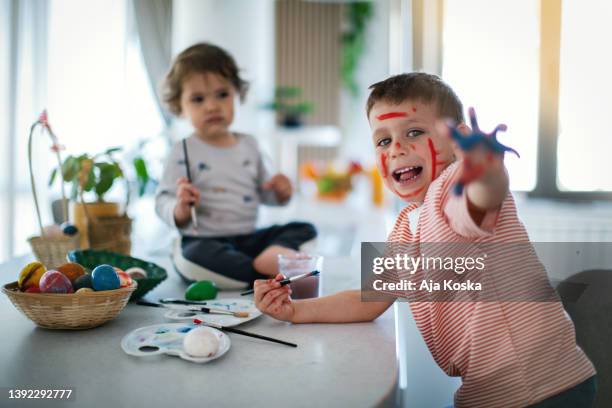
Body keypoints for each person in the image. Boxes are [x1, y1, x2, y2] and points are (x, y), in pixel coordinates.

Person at [254, 73, 596, 407]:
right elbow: (368, 298)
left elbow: (482, 196)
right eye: (383, 141)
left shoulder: (454, 186)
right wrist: (295, 311)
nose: (397, 148)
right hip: (490, 391)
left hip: (537, 387)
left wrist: (485, 167)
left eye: (414, 132)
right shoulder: (406, 227)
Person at [155, 43, 316, 287]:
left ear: (237, 93)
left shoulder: (249, 145)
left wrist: (280, 192)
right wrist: (179, 208)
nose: (212, 106)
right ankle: (264, 269)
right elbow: (162, 200)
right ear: (180, 105)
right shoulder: (183, 150)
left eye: (222, 94)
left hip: (249, 238)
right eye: (198, 99)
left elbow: (266, 195)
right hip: (205, 240)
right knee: (192, 255)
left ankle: (259, 264)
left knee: (304, 228)